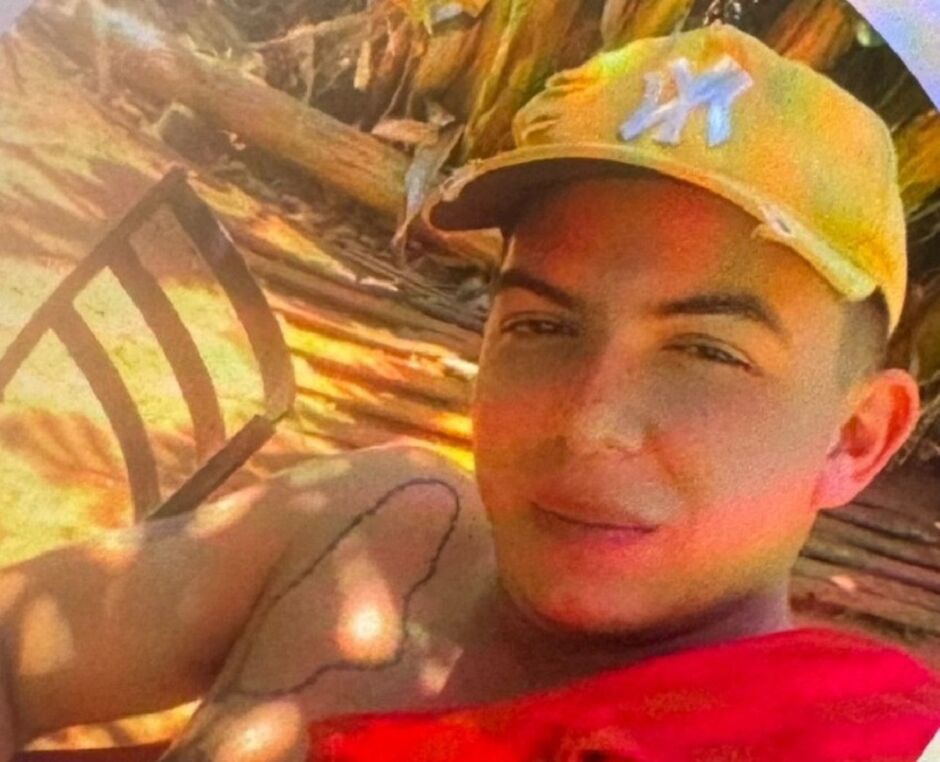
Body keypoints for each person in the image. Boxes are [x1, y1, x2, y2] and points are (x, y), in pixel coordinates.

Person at [2, 21, 939, 762]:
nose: (590, 421)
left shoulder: (835, 736)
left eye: (706, 350)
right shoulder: (370, 520)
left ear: (856, 436)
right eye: (541, 325)